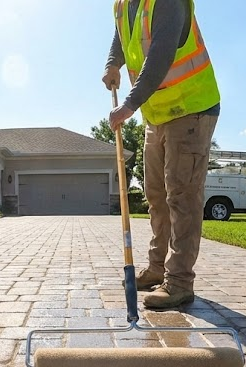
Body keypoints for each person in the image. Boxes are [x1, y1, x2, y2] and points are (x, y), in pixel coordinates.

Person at [104, 0, 220, 309]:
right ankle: (158, 268)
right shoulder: (123, 3)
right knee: (155, 194)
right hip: (157, 114)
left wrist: (130, 103)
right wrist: (112, 63)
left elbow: (162, 51)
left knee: (181, 196)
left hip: (192, 107)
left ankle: (180, 282)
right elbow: (121, 33)